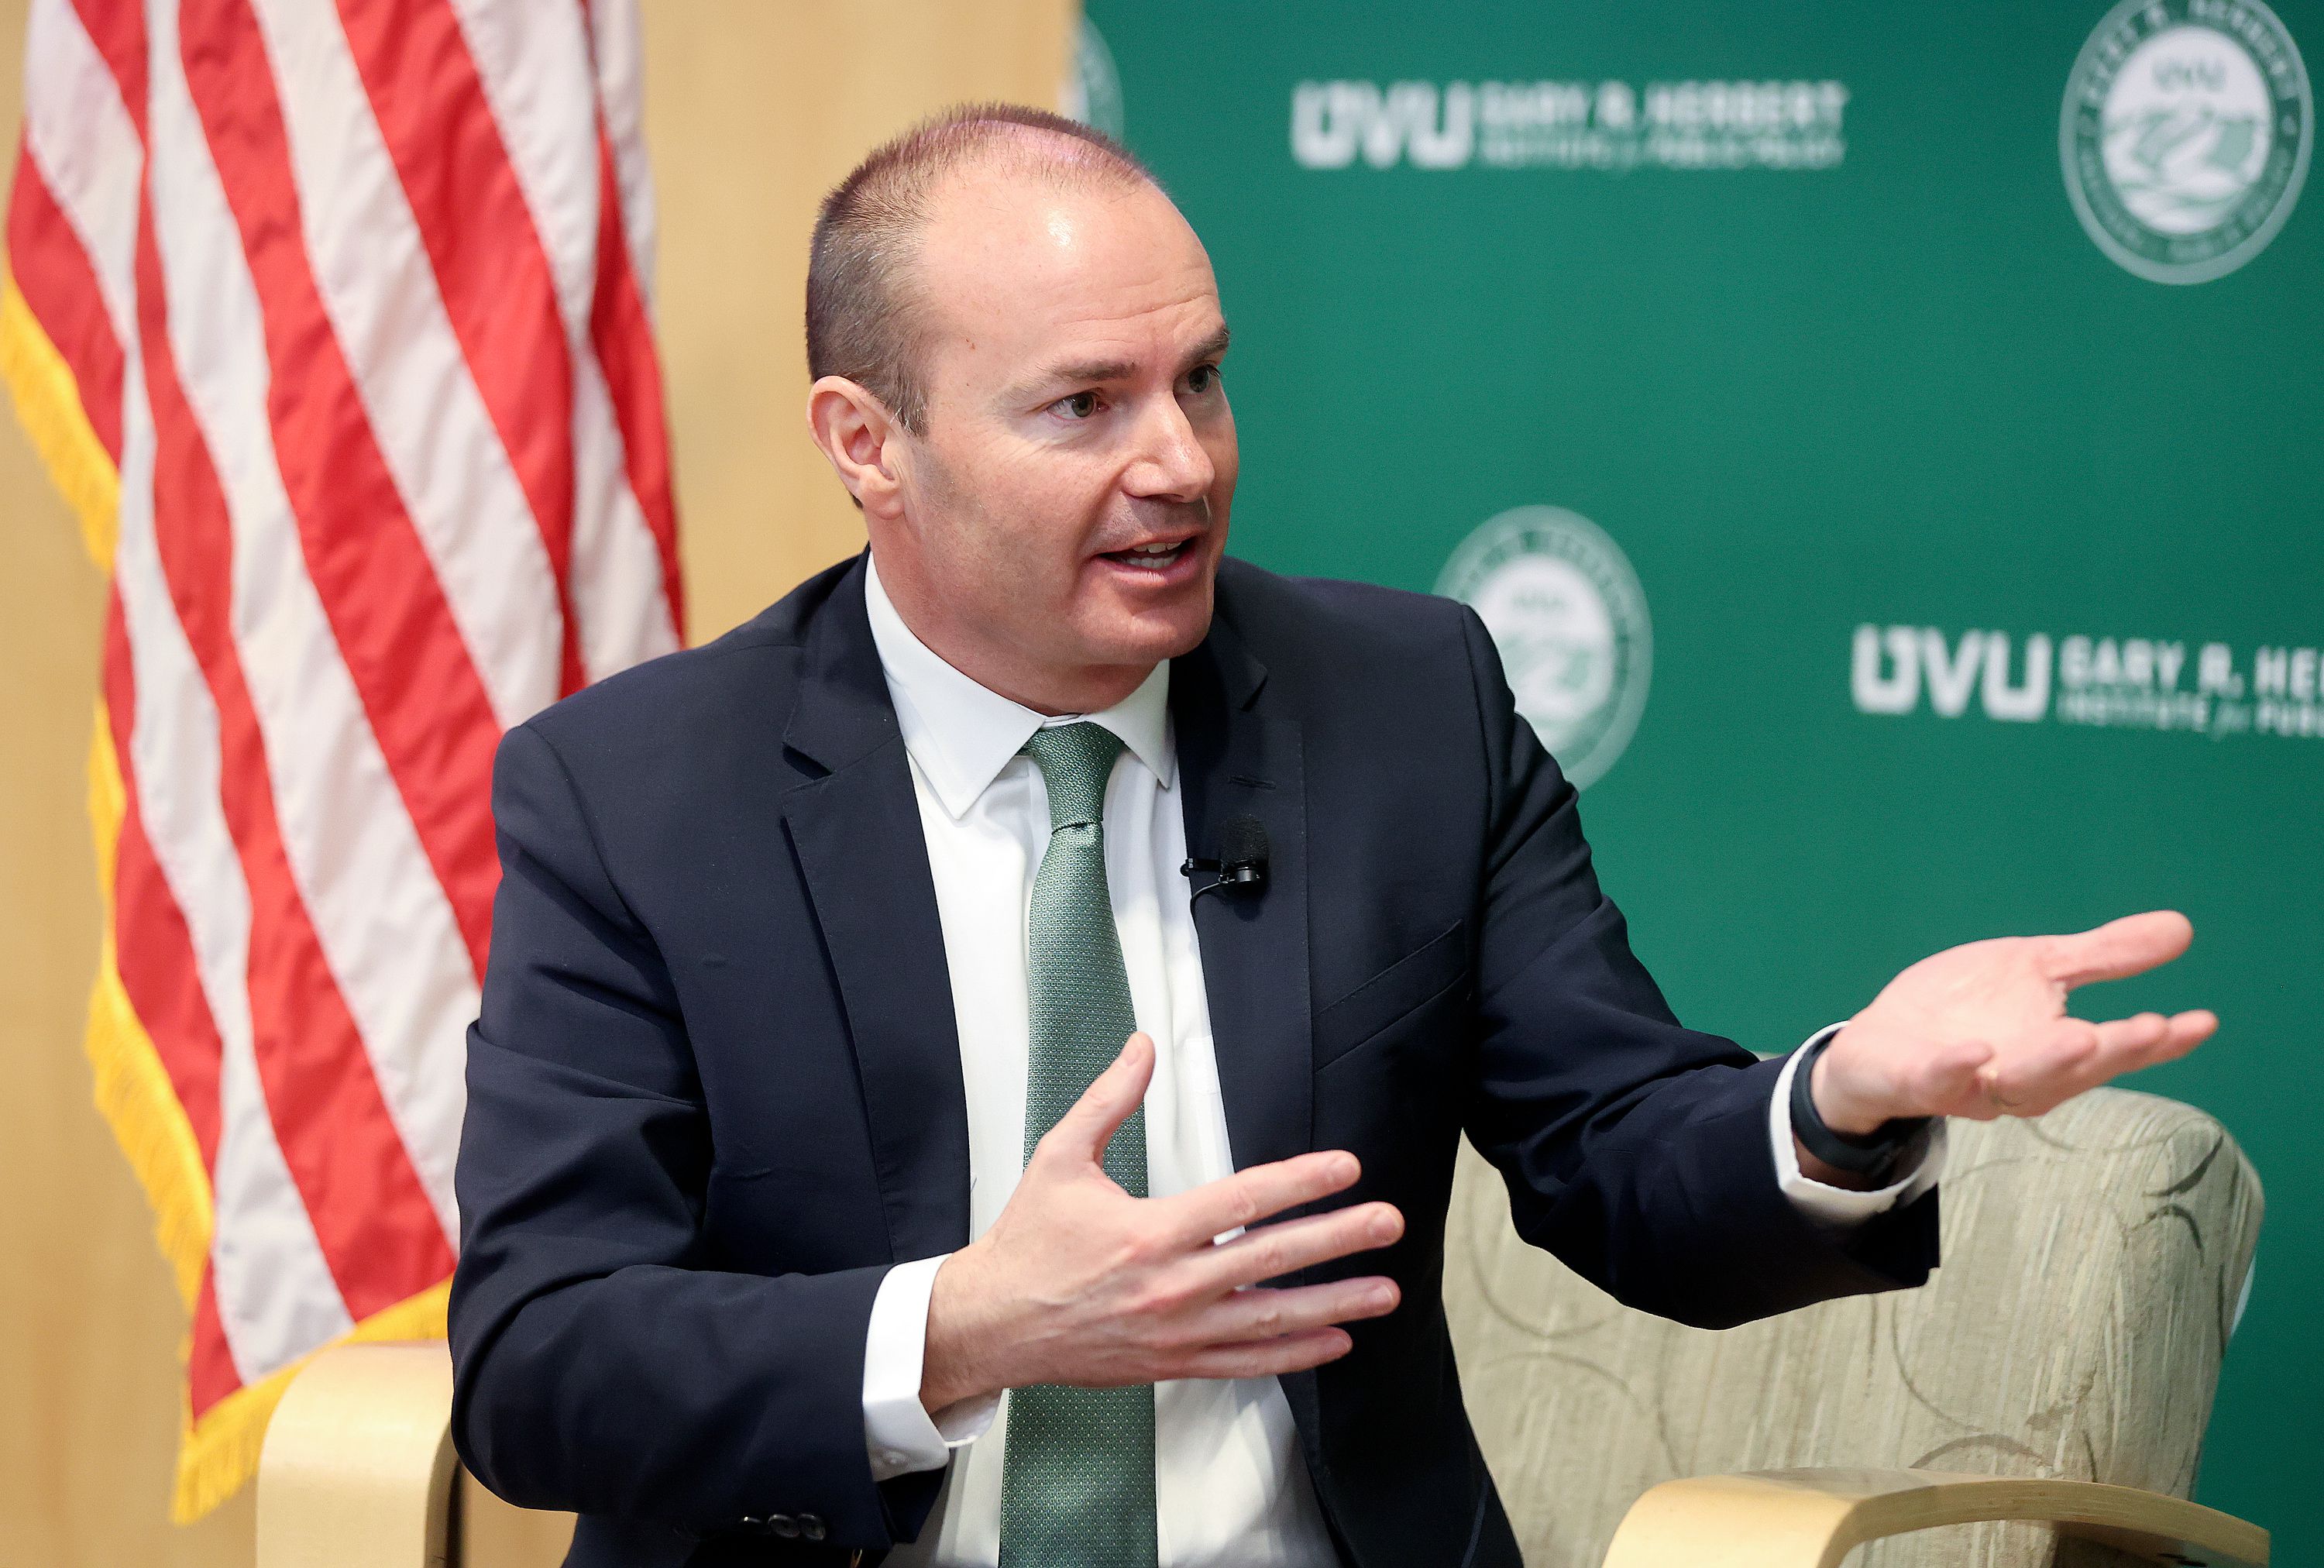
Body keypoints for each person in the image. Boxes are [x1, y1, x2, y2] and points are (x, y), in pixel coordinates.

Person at [446, 105, 2216, 1568]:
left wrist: (1843, 1098)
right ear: (870, 445)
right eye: (1085, 405)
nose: (1183, 462)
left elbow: (1612, 1152)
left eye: (1201, 381)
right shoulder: (638, 796)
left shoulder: (1401, 704)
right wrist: (971, 1326)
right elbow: (540, 1358)